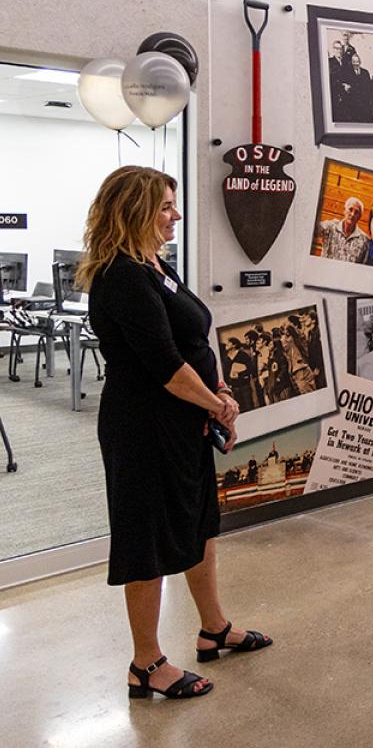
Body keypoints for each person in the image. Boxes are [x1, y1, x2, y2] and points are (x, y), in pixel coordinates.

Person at [78, 166, 271, 702]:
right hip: (143, 425)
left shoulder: (153, 265)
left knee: (197, 523)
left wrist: (219, 392)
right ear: (134, 209)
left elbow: (191, 339)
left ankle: (213, 627)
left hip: (183, 418)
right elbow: (163, 363)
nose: (176, 216)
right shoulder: (120, 275)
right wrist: (218, 406)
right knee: (148, 538)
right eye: (165, 207)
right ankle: (147, 663)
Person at [317, 197, 369, 263]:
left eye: (356, 212)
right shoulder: (330, 227)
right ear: (344, 210)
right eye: (350, 209)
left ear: (359, 217)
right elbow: (314, 229)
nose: (352, 214)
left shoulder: (364, 241)